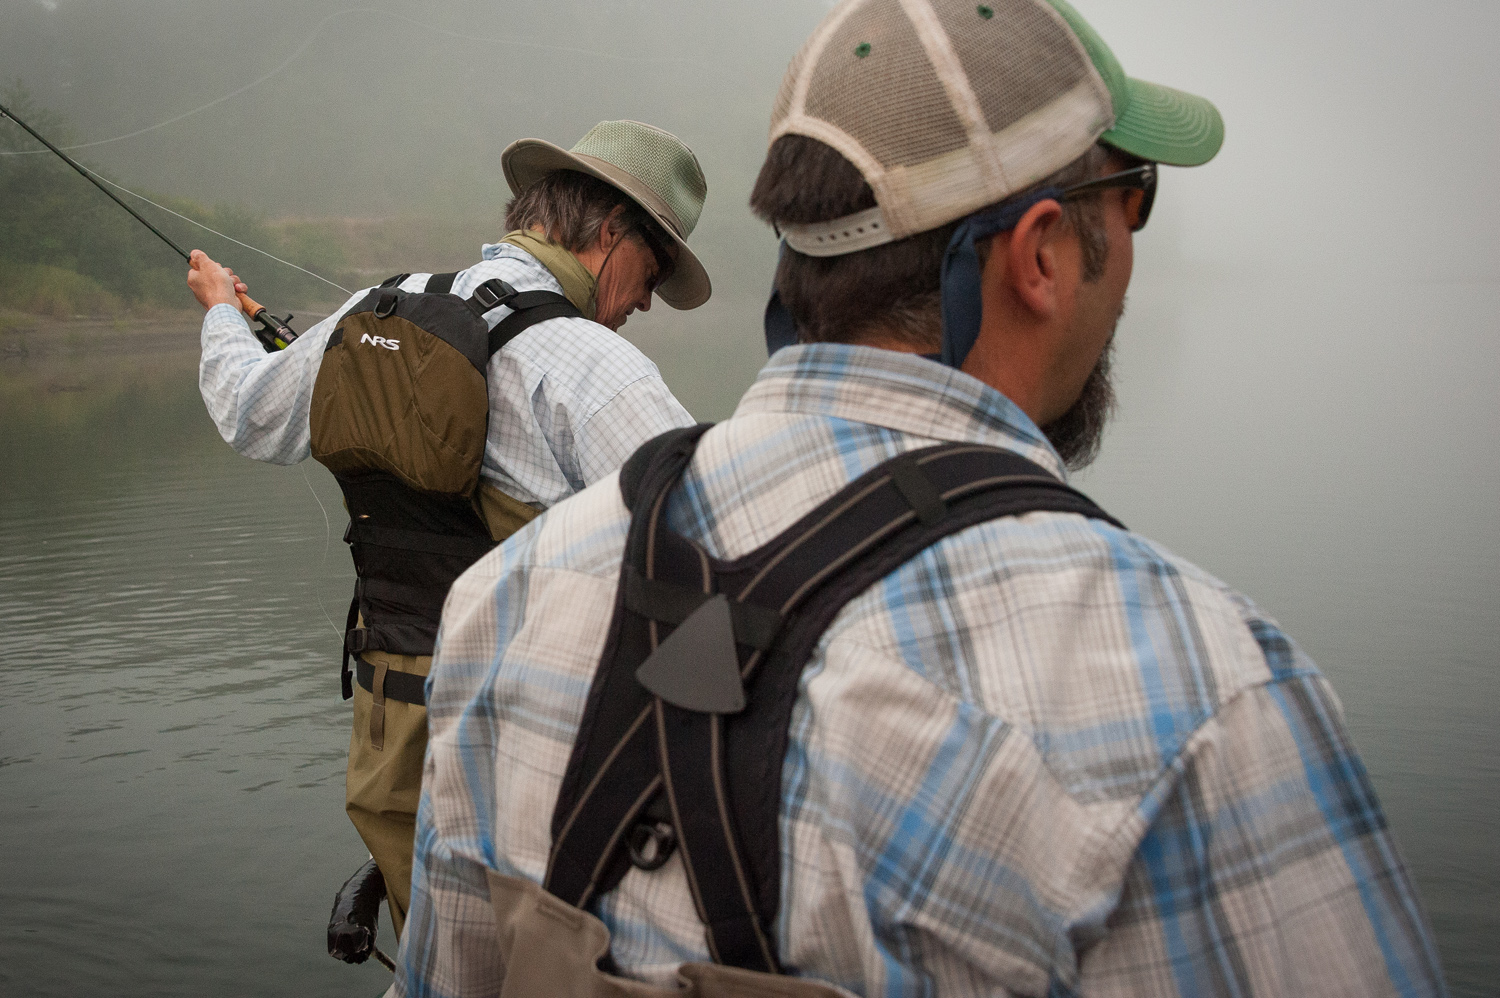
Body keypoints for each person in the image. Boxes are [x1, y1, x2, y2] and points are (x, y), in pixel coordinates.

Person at [398, 2, 1448, 995]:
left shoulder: (506, 597)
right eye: (1132, 195)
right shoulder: (1197, 695)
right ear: (1041, 254)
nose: (1130, 250)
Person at [185, 120, 709, 935]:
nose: (646, 299)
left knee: (438, 953)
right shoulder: (592, 366)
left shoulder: (370, 312)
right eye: (655, 269)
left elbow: (248, 411)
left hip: (391, 746)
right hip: (530, 756)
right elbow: (708, 553)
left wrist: (222, 312)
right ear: (611, 233)